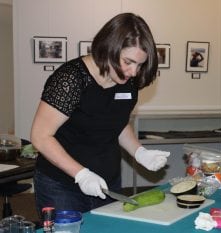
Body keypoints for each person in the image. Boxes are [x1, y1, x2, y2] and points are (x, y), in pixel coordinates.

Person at [30, 13, 170, 217]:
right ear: (108, 48)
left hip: (107, 182)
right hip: (61, 185)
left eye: (140, 65)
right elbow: (40, 136)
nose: (133, 72)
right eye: (128, 62)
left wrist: (139, 152)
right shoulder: (71, 79)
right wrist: (81, 174)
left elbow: (117, 123)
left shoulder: (128, 82)